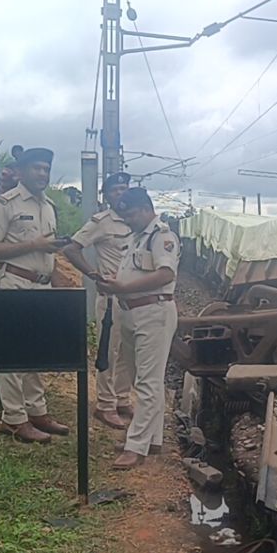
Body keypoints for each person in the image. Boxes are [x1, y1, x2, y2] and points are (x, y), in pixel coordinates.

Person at [0, 148, 70, 443]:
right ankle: (14, 418)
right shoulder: (4, 205)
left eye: (46, 169)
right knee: (13, 354)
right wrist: (33, 244)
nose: (42, 174)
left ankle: (36, 411)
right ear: (21, 171)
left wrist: (55, 277)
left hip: (41, 286)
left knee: (35, 352)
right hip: (13, 283)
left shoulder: (49, 206)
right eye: (37, 168)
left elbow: (44, 248)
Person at [96, 187, 180, 468]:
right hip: (133, 312)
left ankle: (136, 446)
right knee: (140, 379)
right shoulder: (136, 238)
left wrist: (124, 286)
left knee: (148, 382)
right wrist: (113, 281)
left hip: (153, 312)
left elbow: (165, 273)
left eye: (131, 215)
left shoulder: (162, 236)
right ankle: (151, 439)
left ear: (146, 209)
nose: (127, 220)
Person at [61, 172, 134, 430]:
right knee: (109, 353)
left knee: (128, 352)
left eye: (125, 188)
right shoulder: (102, 222)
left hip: (133, 301)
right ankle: (104, 405)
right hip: (111, 300)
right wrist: (93, 274)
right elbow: (71, 247)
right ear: (106, 195)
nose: (121, 193)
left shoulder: (135, 219)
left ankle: (122, 398)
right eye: (115, 189)